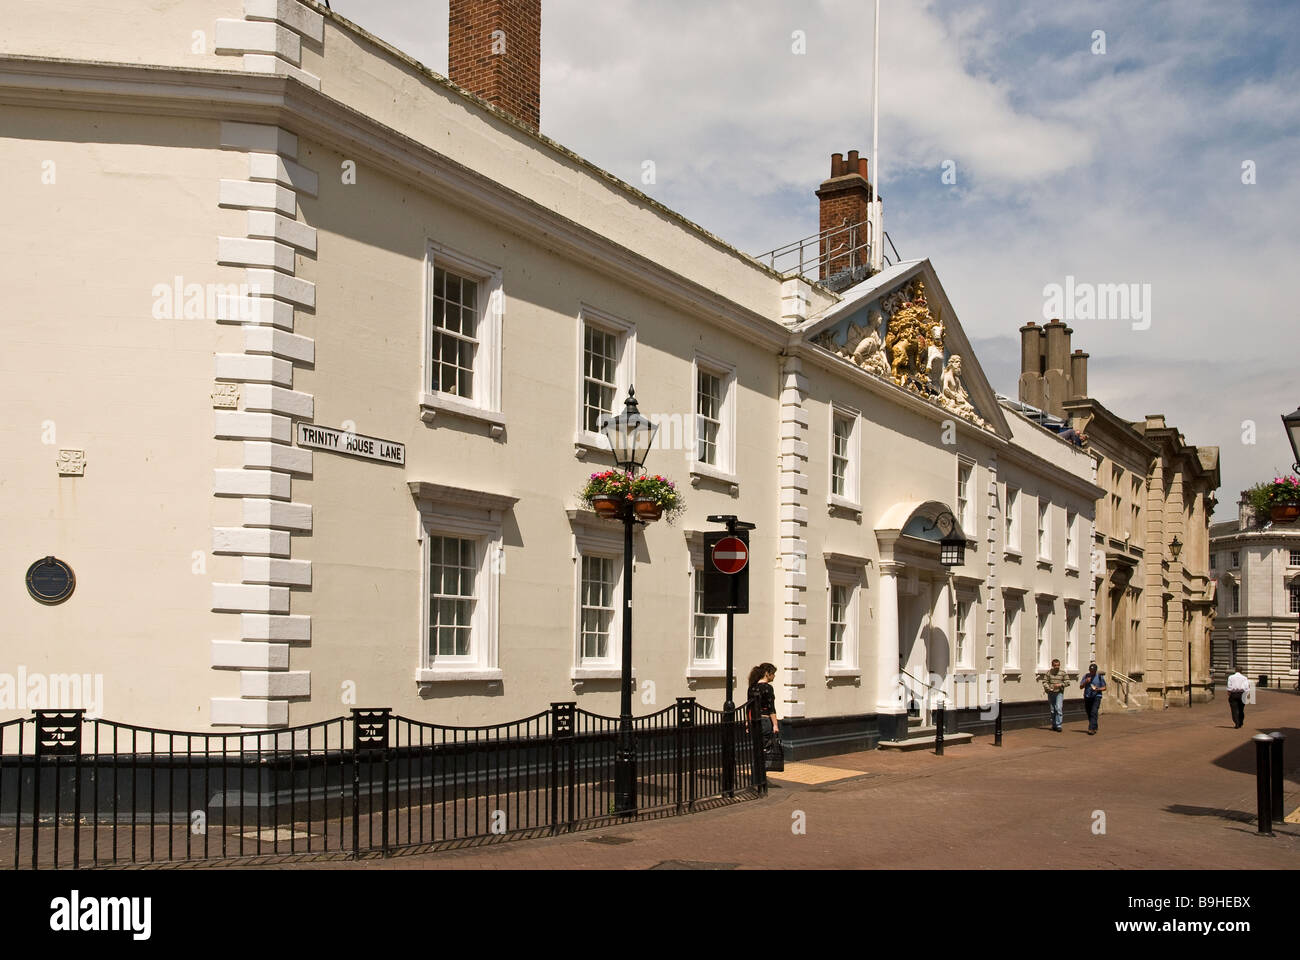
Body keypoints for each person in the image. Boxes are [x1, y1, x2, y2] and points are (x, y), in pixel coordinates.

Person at [747, 662, 779, 756]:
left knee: (756, 747)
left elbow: (749, 707)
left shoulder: (752, 687)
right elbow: (771, 708)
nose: (774, 676)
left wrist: (747, 722)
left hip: (753, 720)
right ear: (767, 674)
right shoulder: (768, 688)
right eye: (773, 673)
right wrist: (775, 725)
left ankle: (756, 769)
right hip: (765, 720)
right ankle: (763, 769)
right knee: (765, 747)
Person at [1042, 658, 1068, 732]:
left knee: (1059, 708)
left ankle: (1059, 725)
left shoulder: (1063, 673)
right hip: (1051, 693)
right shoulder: (1049, 673)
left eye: (1058, 665)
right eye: (1055, 665)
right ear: (1052, 665)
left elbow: (1068, 682)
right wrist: (1048, 687)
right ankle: (1054, 724)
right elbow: (1044, 681)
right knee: (1053, 709)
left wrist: (1061, 684)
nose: (1057, 667)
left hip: (1059, 692)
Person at [1080, 663, 1107, 735]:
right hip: (1087, 696)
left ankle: (1091, 729)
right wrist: (1086, 682)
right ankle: (1094, 726)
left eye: (1093, 671)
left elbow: (1104, 687)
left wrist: (1098, 689)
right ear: (1089, 670)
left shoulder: (1099, 677)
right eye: (1091, 671)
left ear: (1096, 671)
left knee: (1094, 712)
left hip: (1097, 696)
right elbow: (1081, 687)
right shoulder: (1086, 676)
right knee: (1089, 712)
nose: (1092, 672)